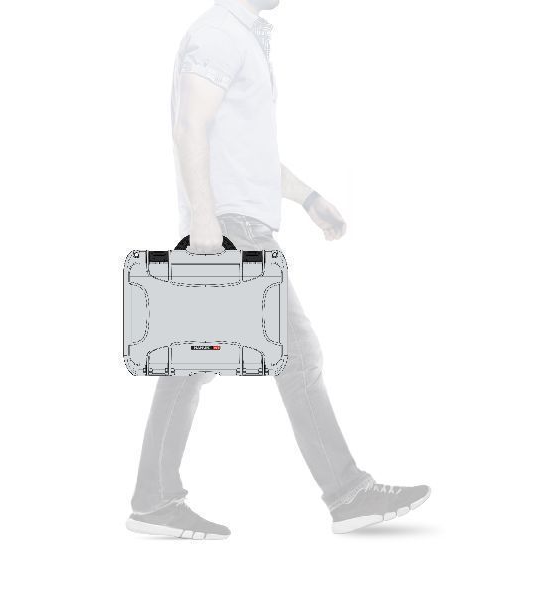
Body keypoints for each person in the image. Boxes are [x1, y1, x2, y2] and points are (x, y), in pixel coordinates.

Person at [126, 0, 430, 539]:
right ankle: (348, 494)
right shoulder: (218, 33)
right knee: (298, 356)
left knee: (188, 367)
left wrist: (308, 198)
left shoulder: (239, 36)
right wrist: (205, 223)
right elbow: (189, 126)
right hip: (231, 229)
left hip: (233, 223)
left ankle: (153, 500)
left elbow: (250, 156)